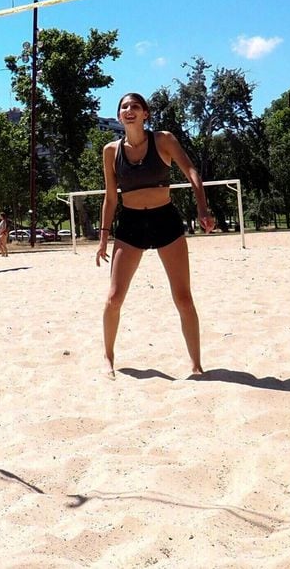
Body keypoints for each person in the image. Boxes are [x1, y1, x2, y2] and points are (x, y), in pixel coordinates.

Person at [96, 92, 214, 378]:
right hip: (130, 225)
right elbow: (111, 198)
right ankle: (108, 359)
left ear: (146, 113)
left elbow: (191, 172)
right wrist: (103, 238)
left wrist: (202, 207)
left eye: (135, 106)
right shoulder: (111, 151)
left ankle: (196, 365)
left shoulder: (163, 140)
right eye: (124, 107)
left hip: (165, 221)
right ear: (119, 116)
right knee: (114, 298)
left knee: (183, 297)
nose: (129, 110)